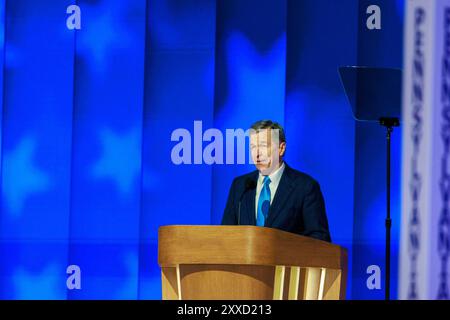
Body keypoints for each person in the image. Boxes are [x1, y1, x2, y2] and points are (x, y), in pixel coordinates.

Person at [221, 120, 331, 242]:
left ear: (281, 148)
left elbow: (319, 239)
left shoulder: (305, 187)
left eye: (263, 146)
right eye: (253, 147)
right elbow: (226, 235)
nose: (257, 153)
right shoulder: (241, 186)